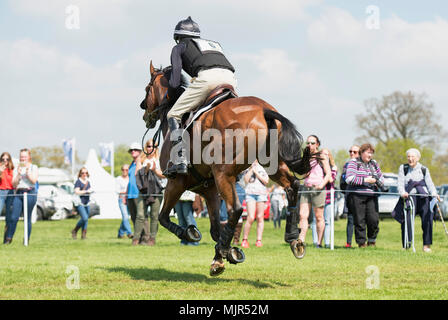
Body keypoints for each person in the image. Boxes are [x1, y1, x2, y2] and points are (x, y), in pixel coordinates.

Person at [165, 16, 237, 176]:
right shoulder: (214, 44)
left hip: (208, 79)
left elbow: (175, 81)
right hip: (230, 79)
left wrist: (170, 96)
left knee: (173, 114)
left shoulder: (179, 48)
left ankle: (180, 159)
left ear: (178, 37)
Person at [394, 148, 440, 252]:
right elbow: (400, 183)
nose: (410, 159)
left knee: (427, 221)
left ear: (418, 158)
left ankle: (426, 246)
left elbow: (430, 184)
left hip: (423, 198)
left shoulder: (424, 169)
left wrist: (434, 194)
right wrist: (402, 193)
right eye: (408, 157)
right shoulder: (403, 168)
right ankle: (406, 245)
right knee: (407, 221)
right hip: (409, 198)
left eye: (412, 157)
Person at [296, 135, 332, 252]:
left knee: (319, 217)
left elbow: (328, 174)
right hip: (306, 188)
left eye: (312, 143)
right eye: (308, 143)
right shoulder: (305, 157)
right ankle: (301, 241)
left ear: (317, 144)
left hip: (318, 189)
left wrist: (321, 185)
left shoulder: (322, 156)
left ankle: (319, 243)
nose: (309, 145)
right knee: (302, 215)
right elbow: (303, 174)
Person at [345, 143, 384, 248]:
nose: (370, 155)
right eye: (368, 152)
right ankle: (361, 243)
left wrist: (377, 181)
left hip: (372, 195)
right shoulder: (354, 162)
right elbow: (349, 178)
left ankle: (372, 240)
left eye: (371, 153)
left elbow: (381, 178)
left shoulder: (374, 164)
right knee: (359, 220)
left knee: (373, 219)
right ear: (362, 153)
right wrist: (365, 180)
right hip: (357, 195)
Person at [136, 139, 166, 246]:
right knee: (140, 215)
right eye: (149, 146)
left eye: (153, 147)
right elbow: (137, 174)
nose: (151, 149)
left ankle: (152, 238)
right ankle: (136, 238)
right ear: (145, 147)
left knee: (154, 216)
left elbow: (164, 174)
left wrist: (154, 170)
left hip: (157, 190)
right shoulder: (141, 159)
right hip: (144, 190)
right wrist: (146, 170)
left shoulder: (160, 159)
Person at [6, 149, 38, 244]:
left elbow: (33, 181)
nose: (22, 158)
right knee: (14, 217)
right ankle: (9, 238)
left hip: (30, 193)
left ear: (29, 157)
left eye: (24, 156)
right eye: (21, 157)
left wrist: (28, 173)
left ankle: (26, 239)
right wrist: (19, 174)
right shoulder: (17, 168)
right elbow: (14, 184)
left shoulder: (34, 167)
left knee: (27, 217)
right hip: (19, 193)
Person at [311, 148, 337, 248]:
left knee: (327, 220)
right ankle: (316, 242)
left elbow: (330, 179)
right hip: (317, 195)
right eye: (322, 154)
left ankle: (327, 242)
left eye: (326, 154)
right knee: (315, 219)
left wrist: (326, 169)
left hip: (328, 197)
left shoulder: (333, 167)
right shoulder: (316, 167)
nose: (324, 156)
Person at [241, 160, 269, 248]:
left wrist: (256, 172)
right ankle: (245, 240)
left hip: (261, 194)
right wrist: (251, 169)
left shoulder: (264, 167)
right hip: (250, 194)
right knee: (251, 217)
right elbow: (245, 180)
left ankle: (259, 240)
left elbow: (266, 181)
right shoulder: (248, 167)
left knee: (260, 217)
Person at [125, 142, 148, 246]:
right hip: (130, 194)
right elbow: (129, 181)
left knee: (142, 216)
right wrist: (126, 195)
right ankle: (138, 237)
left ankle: (145, 238)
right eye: (131, 150)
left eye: (135, 150)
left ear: (140, 151)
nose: (133, 151)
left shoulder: (143, 162)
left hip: (139, 193)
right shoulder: (131, 164)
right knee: (134, 218)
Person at [341, 145, 360, 248]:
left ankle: (361, 243)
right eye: (350, 151)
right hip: (350, 195)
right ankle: (348, 243)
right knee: (350, 219)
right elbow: (342, 180)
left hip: (361, 196)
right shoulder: (347, 165)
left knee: (361, 220)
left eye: (355, 152)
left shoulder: (363, 164)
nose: (352, 153)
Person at [71, 167, 93, 240]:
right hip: (79, 202)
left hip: (87, 202)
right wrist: (86, 191)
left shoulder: (88, 182)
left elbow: (89, 190)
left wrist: (90, 191)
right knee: (85, 218)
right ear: (80, 173)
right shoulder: (78, 181)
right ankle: (75, 230)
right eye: (83, 173)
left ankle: (83, 235)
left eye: (86, 173)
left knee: (86, 219)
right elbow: (77, 191)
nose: (84, 174)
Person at [115, 164, 133, 239]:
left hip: (130, 198)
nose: (125, 171)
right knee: (125, 216)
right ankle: (129, 233)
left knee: (126, 217)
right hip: (122, 198)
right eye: (123, 170)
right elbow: (117, 190)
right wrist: (126, 192)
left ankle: (120, 233)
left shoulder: (131, 178)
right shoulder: (118, 179)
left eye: (126, 170)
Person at [0, 152, 15, 243]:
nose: (5, 161)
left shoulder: (12, 169)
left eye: (7, 159)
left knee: (9, 217)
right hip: (1, 192)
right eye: (3, 159)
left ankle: (7, 239)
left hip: (10, 192)